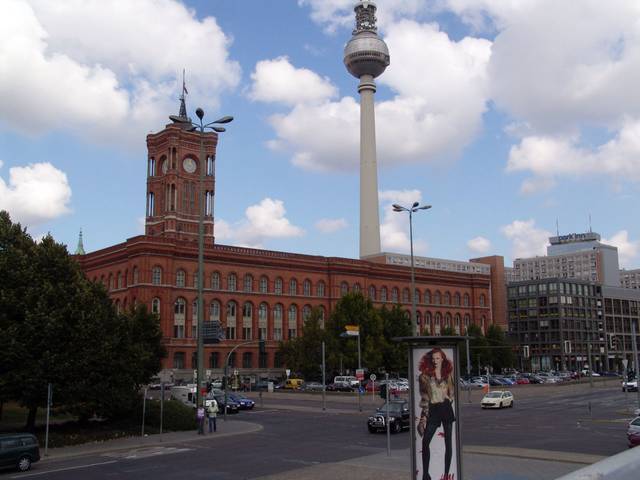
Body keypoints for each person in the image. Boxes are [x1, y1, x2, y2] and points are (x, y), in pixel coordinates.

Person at [417, 348, 456, 480]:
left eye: (437, 358)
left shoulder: (448, 374)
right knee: (425, 441)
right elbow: (424, 399)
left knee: (448, 443)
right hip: (433, 409)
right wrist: (423, 418)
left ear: (442, 359)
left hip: (445, 408)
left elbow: (452, 392)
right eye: (433, 358)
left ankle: (446, 474)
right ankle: (425, 474)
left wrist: (448, 400)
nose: (435, 361)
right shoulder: (424, 376)